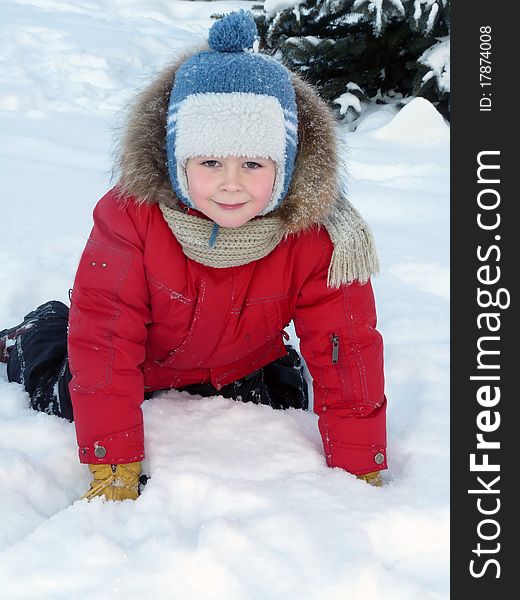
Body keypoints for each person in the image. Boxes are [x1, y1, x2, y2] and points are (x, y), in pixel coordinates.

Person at [0, 11, 387, 501]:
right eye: (210, 162)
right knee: (64, 387)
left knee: (283, 399)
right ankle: (32, 333)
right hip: (140, 361)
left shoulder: (317, 234)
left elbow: (346, 347)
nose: (231, 182)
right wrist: (114, 462)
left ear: (286, 168)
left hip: (240, 362)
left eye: (252, 163)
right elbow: (107, 338)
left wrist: (360, 463)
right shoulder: (133, 217)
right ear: (178, 161)